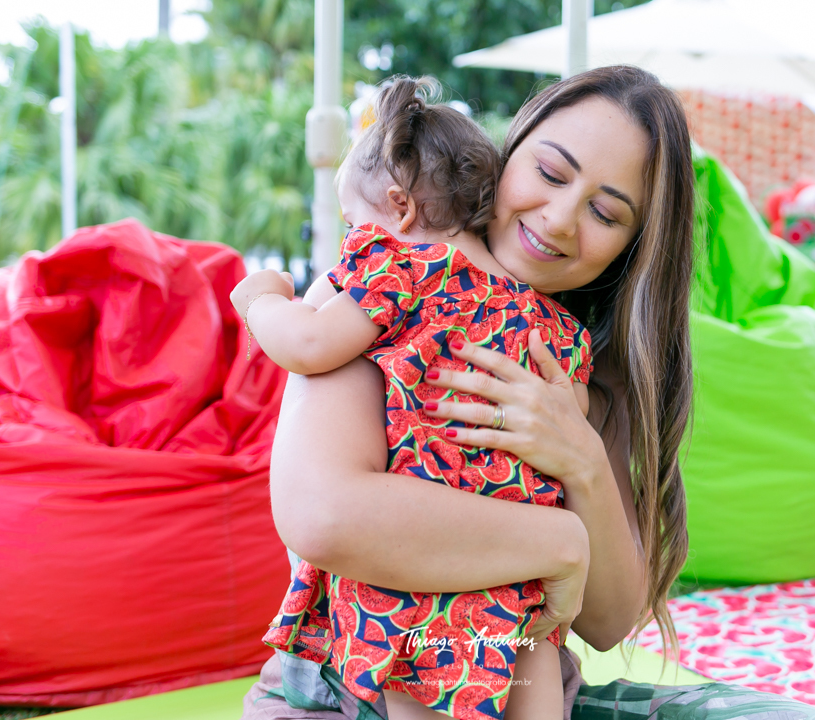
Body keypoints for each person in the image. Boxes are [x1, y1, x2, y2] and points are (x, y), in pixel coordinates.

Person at [241, 66, 815, 720]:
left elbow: (608, 620)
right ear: (506, 154)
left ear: (630, 247)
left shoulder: (573, 350)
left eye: (605, 212)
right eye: (551, 174)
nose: (558, 219)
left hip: (526, 681)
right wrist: (559, 541)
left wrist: (578, 455)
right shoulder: (392, 279)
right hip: (360, 680)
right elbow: (323, 516)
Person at [231, 76, 593, 720]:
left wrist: (260, 299)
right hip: (518, 570)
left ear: (399, 209)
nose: (352, 241)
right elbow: (569, 421)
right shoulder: (553, 324)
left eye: (353, 223)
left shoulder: (403, 268)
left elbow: (310, 343)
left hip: (416, 575)